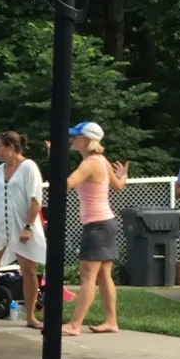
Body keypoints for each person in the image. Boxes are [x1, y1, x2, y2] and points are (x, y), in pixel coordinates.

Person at [50, 122, 128, 336]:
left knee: (87, 277)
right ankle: (111, 321)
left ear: (86, 140)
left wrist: (54, 158)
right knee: (104, 275)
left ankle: (75, 325)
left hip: (97, 226)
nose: (72, 139)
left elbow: (65, 184)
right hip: (107, 223)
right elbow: (119, 186)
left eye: (75, 136)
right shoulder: (101, 161)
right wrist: (123, 175)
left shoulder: (90, 164)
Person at [0, 131, 47, 329]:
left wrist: (28, 227)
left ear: (10, 148)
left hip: (22, 224)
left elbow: (35, 200)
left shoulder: (29, 167)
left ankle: (30, 316)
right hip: (0, 225)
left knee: (28, 270)